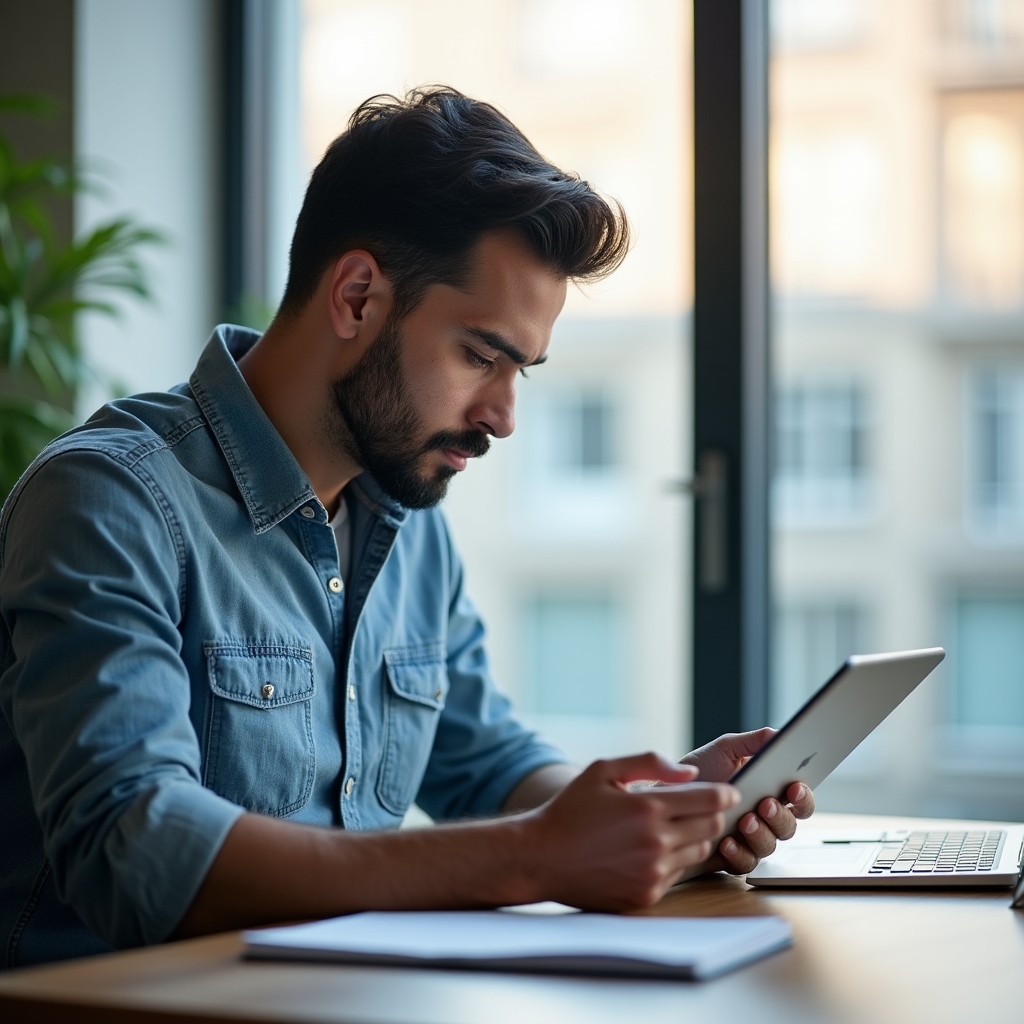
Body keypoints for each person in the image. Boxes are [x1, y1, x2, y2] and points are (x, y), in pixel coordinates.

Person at [0, 88, 813, 968]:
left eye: (522, 374)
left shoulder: (403, 514)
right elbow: (136, 851)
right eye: (479, 356)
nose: (502, 418)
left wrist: (662, 807)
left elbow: (486, 766)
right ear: (356, 297)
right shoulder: (109, 500)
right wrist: (539, 855)